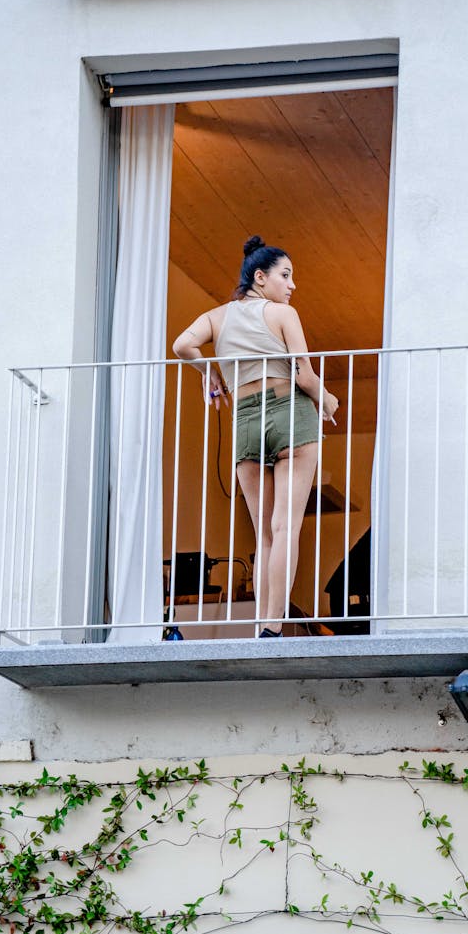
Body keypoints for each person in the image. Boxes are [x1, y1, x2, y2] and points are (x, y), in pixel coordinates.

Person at [172, 236, 339, 637]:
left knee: (263, 531)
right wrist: (328, 399)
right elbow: (304, 374)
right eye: (286, 275)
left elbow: (182, 345)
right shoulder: (283, 314)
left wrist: (208, 370)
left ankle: (260, 626)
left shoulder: (216, 317)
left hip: (245, 420)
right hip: (288, 412)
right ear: (260, 277)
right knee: (286, 527)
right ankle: (273, 626)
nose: (292, 284)